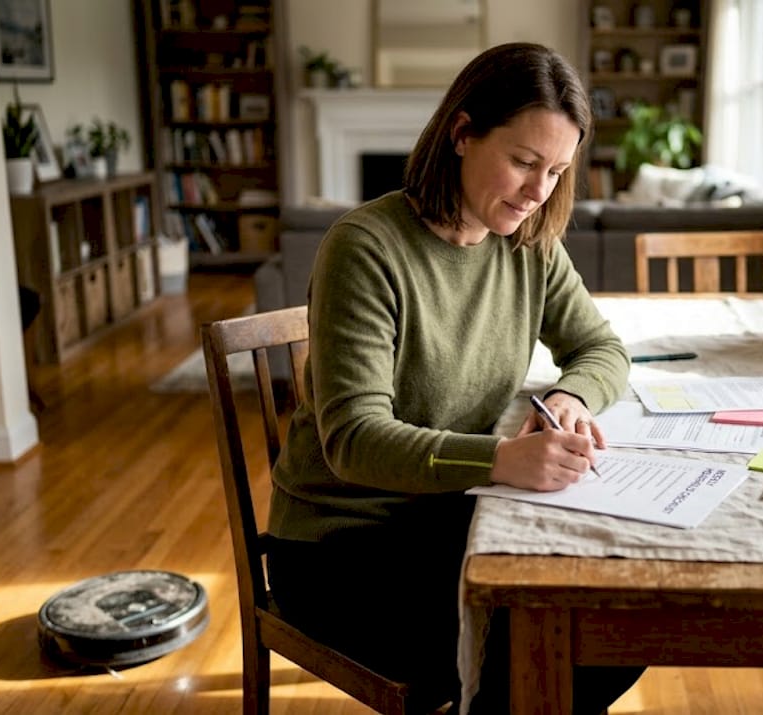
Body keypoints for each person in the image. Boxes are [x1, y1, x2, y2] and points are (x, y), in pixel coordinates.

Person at [265, 42, 643, 713]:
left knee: (613, 619)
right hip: (340, 545)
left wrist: (569, 394)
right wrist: (500, 458)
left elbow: (602, 348)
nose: (538, 191)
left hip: (450, 510)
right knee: (547, 644)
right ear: (462, 133)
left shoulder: (528, 246)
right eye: (525, 162)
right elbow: (353, 439)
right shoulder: (366, 248)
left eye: (556, 170)